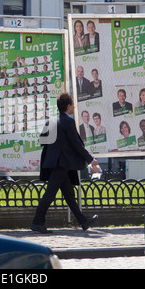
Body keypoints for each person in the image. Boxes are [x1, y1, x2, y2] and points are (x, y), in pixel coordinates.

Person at [31, 92, 98, 234]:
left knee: (69, 195)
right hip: (61, 164)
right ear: (68, 106)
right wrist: (91, 160)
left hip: (57, 164)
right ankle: (37, 222)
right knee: (50, 194)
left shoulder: (52, 120)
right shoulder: (68, 121)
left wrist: (58, 143)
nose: (74, 106)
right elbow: (76, 144)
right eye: (72, 104)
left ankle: (83, 221)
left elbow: (42, 140)